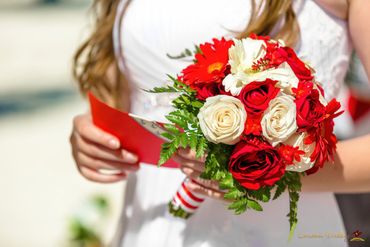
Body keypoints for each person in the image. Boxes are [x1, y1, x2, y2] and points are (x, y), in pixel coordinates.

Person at [69, 0, 370, 246]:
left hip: (270, 230)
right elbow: (130, 92)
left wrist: (266, 172)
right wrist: (97, 133)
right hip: (147, 222)